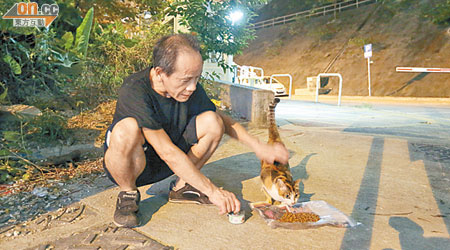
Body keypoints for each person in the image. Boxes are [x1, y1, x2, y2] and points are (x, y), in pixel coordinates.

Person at [103, 34, 289, 228]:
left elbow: (224, 122)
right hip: (134, 165)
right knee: (126, 129)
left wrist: (258, 147)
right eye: (185, 80)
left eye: (197, 78)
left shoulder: (189, 88)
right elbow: (167, 152)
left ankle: (182, 186)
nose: (192, 87)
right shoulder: (135, 90)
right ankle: (128, 193)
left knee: (214, 121)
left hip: (171, 161)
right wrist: (213, 192)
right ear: (159, 73)